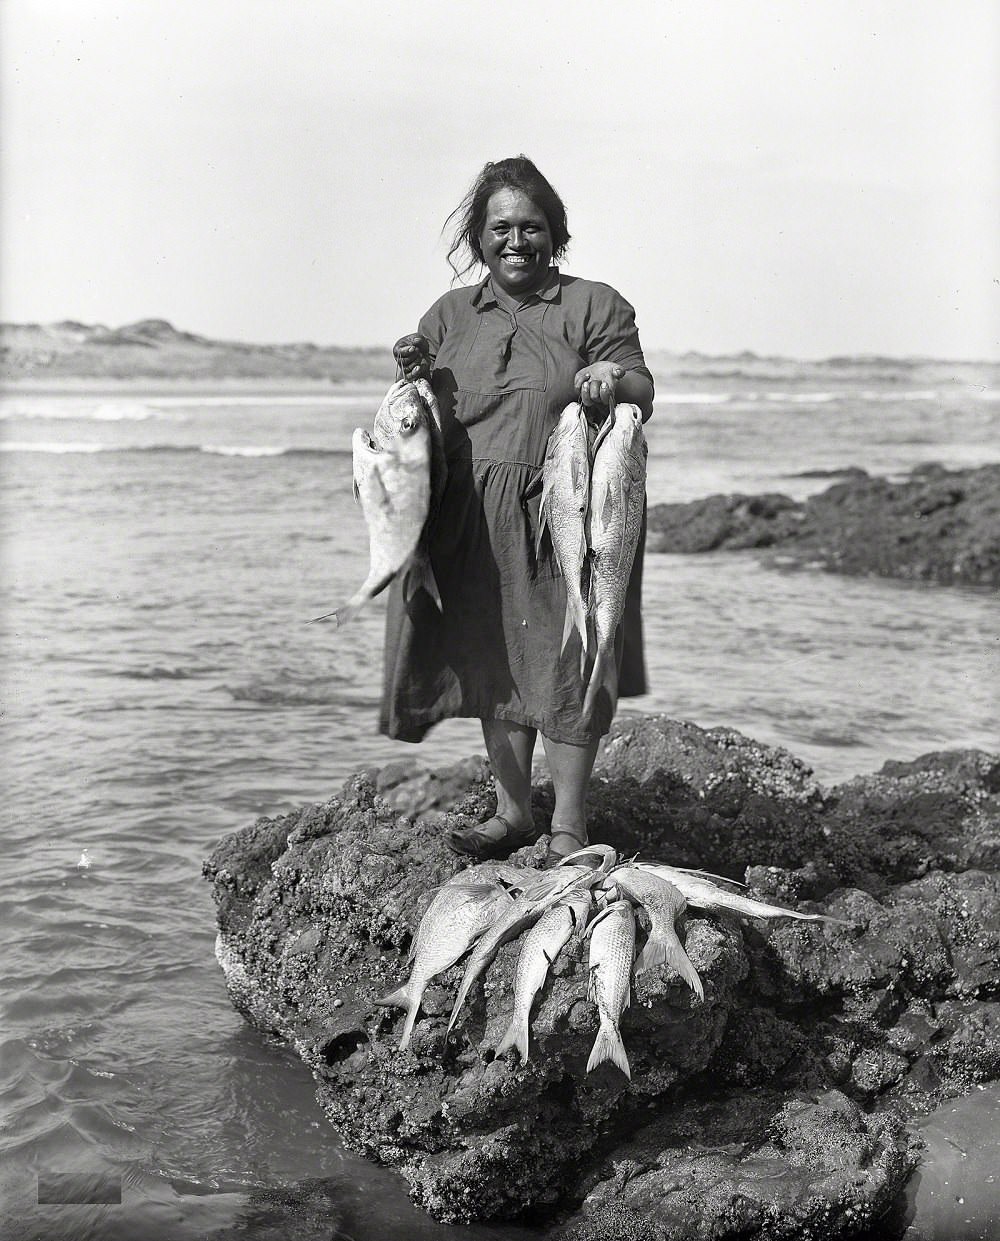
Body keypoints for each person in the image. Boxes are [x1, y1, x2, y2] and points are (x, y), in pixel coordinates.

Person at [386, 155, 654, 864]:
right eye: (500, 227)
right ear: (478, 237)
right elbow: (423, 417)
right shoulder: (448, 316)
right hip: (469, 516)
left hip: (566, 509)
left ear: (555, 234)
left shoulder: (594, 304)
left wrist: (611, 378)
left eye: (531, 227)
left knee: (571, 658)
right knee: (493, 661)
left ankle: (568, 822)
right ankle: (512, 811)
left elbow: (641, 388)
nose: (516, 240)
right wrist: (412, 367)